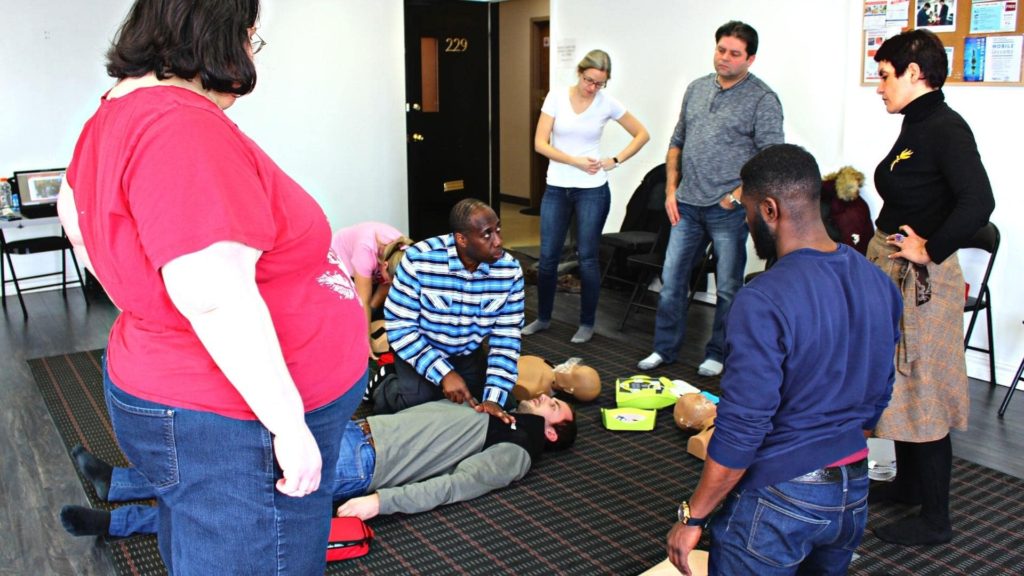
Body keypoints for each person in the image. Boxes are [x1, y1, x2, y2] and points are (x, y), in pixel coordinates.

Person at [56, 1, 368, 573]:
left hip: (194, 406)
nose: (250, 55)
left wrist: (147, 302)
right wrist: (288, 426)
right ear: (216, 35)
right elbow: (212, 293)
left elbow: (73, 214)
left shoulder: (117, 110)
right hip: (232, 423)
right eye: (250, 38)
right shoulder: (180, 127)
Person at [666, 144, 902, 575]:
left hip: (780, 497)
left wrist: (693, 517)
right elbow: (878, 395)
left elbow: (743, 427)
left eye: (748, 209)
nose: (746, 220)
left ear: (770, 209)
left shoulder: (762, 299)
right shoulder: (879, 282)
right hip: (851, 494)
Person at [60, 396, 577, 537]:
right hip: (356, 433)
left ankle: (118, 518)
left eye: (555, 406)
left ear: (551, 432)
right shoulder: (500, 411)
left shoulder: (517, 450)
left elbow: (455, 486)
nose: (546, 398)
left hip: (362, 464)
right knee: (226, 467)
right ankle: (118, 484)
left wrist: (381, 503)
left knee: (231, 500)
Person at [868, 29, 995, 546]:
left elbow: (979, 201)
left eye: (885, 76)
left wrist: (931, 248)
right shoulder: (917, 122)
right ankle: (909, 485)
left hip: (924, 282)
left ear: (914, 73)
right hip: (895, 268)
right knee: (900, 385)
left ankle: (936, 520)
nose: (879, 87)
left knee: (925, 390)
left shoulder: (945, 127)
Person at [637, 21, 784, 376]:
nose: (724, 58)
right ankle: (663, 349)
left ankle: (718, 353)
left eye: (735, 53)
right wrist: (671, 191)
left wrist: (736, 197)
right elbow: (676, 143)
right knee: (672, 282)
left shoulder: (763, 99)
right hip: (686, 206)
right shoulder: (697, 88)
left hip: (728, 212)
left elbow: (771, 159)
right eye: (721, 50)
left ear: (750, 59)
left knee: (728, 288)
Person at [522, 49, 649, 344]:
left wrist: (615, 160)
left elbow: (642, 134)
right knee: (548, 257)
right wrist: (574, 161)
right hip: (557, 187)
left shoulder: (607, 103)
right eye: (589, 80)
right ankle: (543, 317)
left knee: (588, 258)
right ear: (580, 73)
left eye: (599, 83)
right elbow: (540, 143)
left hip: (592, 190)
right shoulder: (556, 97)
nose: (592, 87)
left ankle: (587, 323)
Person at [375, 199, 525, 419]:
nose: (498, 241)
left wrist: (494, 397)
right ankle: (385, 381)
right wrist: (444, 374)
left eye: (498, 230)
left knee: (503, 406)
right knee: (417, 408)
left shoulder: (509, 271)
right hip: (419, 348)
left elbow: (507, 338)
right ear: (461, 239)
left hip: (467, 353)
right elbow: (400, 328)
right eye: (487, 234)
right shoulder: (419, 260)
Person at [331, 222, 413, 353]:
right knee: (351, 314)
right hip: (339, 258)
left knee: (374, 309)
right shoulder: (365, 251)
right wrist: (365, 340)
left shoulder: (405, 252)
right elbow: (363, 301)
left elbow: (386, 285)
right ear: (385, 265)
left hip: (375, 262)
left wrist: (372, 312)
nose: (389, 283)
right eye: (389, 280)